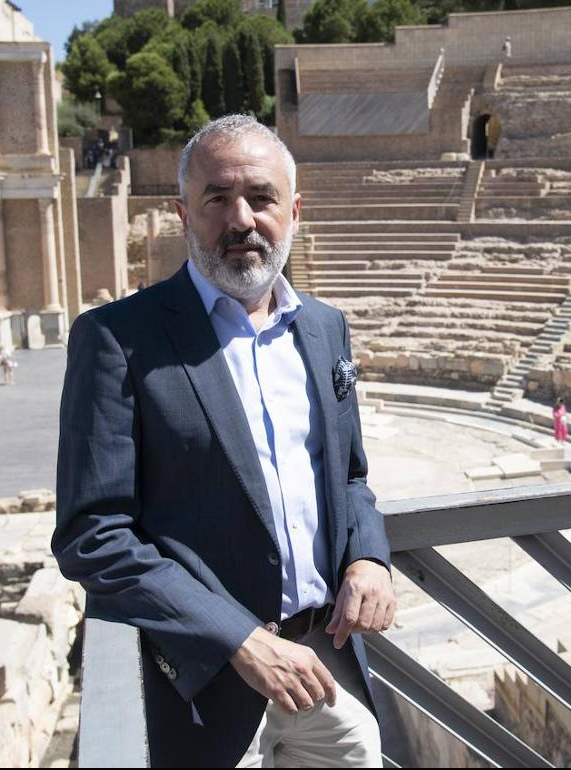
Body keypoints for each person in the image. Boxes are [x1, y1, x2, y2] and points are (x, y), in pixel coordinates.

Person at [53, 115, 395, 767]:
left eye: (261, 197)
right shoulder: (119, 338)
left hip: (323, 670)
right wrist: (235, 637)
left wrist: (369, 559)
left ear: (293, 211)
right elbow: (91, 534)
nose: (241, 219)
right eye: (217, 198)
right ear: (184, 213)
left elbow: (350, 478)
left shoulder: (325, 328)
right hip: (203, 684)